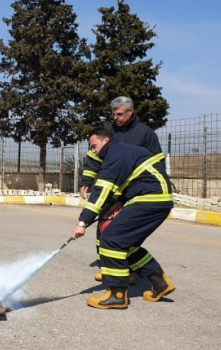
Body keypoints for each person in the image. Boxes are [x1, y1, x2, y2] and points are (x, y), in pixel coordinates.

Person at [71, 127, 175, 309]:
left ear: (105, 140)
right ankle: (160, 283)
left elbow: (102, 191)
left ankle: (117, 294)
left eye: (94, 146)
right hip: (155, 199)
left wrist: (83, 222)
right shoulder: (122, 151)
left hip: (150, 199)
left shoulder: (116, 155)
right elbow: (122, 186)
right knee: (127, 243)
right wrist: (118, 203)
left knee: (111, 240)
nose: (93, 151)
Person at [79, 96, 164, 282]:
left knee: (122, 231)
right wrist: (86, 180)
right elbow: (93, 158)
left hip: (136, 189)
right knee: (104, 225)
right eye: (113, 114)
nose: (115, 117)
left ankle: (126, 269)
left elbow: (158, 162)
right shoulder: (107, 133)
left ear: (130, 112)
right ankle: (107, 265)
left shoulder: (145, 134)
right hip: (113, 186)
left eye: (119, 114)